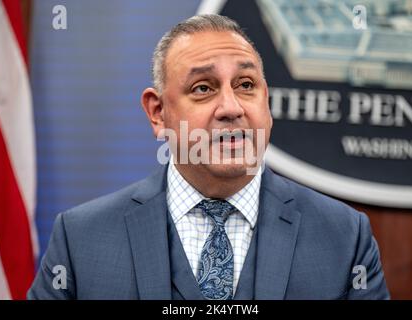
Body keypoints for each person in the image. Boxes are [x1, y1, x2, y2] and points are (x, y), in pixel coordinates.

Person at [28, 14, 389, 300]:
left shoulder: (344, 237)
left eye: (246, 85)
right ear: (157, 113)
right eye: (203, 88)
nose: (231, 108)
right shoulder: (81, 239)